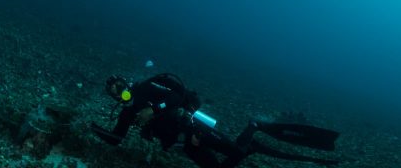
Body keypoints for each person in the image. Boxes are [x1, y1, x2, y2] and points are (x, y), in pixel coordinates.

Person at [91, 73, 340, 167]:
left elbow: (176, 97)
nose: (120, 93)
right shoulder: (125, 113)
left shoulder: (146, 88)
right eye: (114, 92)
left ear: (126, 83)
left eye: (120, 86)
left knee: (235, 150)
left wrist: (154, 109)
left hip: (193, 130)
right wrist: (92, 128)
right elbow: (116, 139)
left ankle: (254, 129)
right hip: (182, 143)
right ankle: (251, 140)